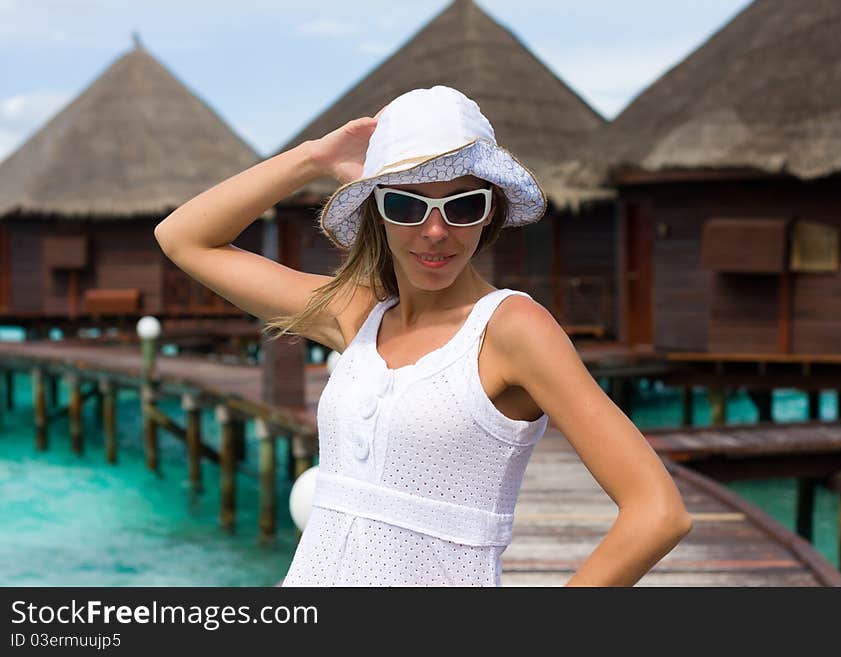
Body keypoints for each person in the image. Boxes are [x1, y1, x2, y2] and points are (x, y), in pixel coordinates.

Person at [154, 85, 692, 587]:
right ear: (377, 213)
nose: (435, 231)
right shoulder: (356, 312)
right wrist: (313, 158)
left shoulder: (511, 330)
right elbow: (183, 238)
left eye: (461, 206)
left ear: (490, 213)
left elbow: (657, 512)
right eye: (407, 205)